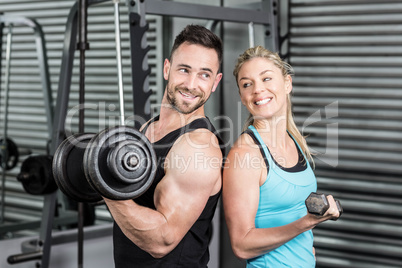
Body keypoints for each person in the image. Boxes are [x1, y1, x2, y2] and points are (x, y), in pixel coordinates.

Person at [103, 24, 224, 267]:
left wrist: (104, 184)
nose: (191, 84)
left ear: (215, 81)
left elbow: (162, 241)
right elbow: (131, 199)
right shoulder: (147, 128)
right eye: (184, 69)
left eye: (204, 74)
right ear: (167, 68)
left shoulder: (197, 146)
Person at [222, 46, 340, 267]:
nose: (258, 89)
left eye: (266, 79)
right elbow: (241, 244)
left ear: (287, 83)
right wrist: (306, 223)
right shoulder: (245, 154)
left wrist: (304, 250)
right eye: (247, 84)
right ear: (242, 95)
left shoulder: (293, 139)